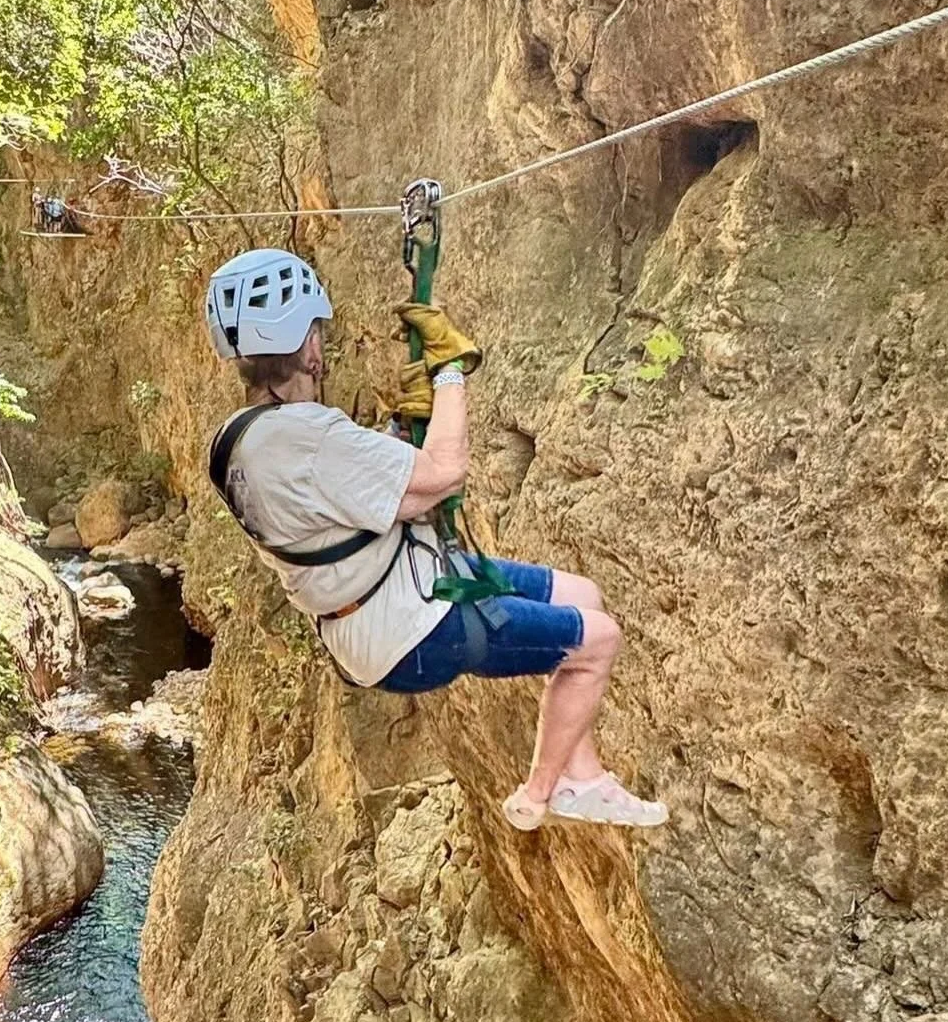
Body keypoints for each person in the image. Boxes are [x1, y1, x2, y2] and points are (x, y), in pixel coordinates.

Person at [205, 248, 667, 830]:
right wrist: (449, 373)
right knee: (599, 640)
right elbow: (442, 475)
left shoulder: (235, 441)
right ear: (308, 345)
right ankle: (544, 793)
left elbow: (335, 489)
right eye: (316, 332)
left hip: (390, 598)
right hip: (411, 630)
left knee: (583, 595)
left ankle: (584, 773)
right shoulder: (309, 437)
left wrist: (397, 430)